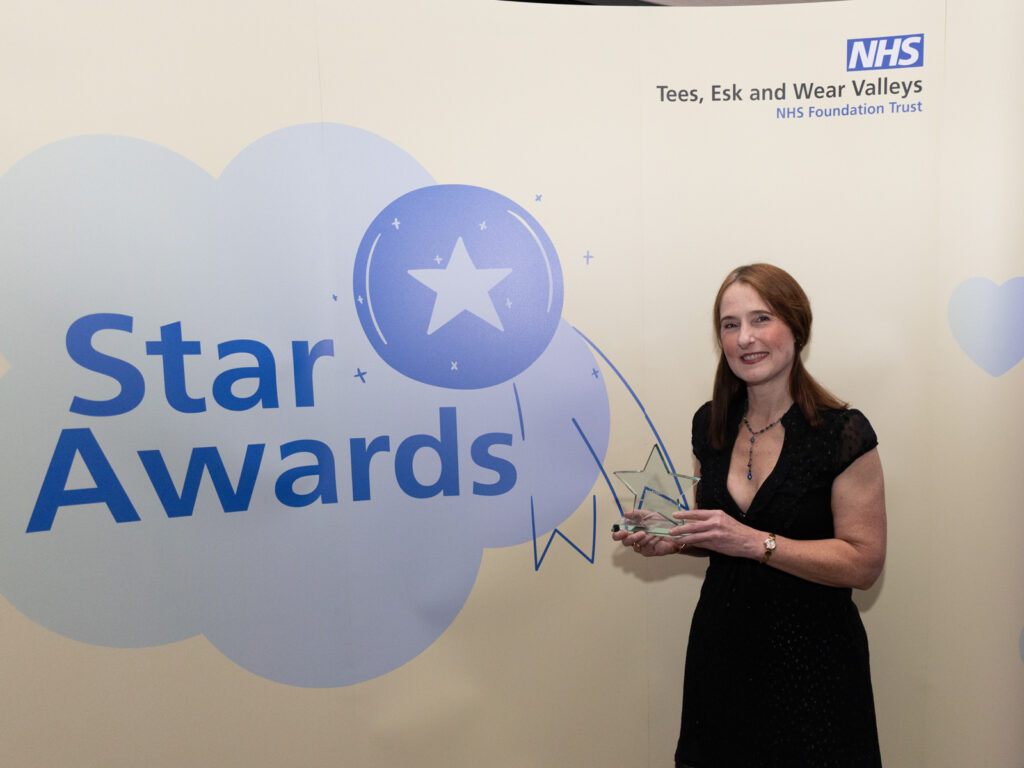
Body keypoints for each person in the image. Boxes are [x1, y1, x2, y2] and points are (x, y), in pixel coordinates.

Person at [613, 263, 886, 767]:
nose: (745, 338)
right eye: (730, 324)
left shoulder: (843, 432)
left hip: (814, 664)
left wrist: (755, 542)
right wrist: (676, 538)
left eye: (762, 319)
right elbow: (719, 532)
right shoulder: (709, 423)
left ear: (796, 328)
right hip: (722, 655)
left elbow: (864, 563)